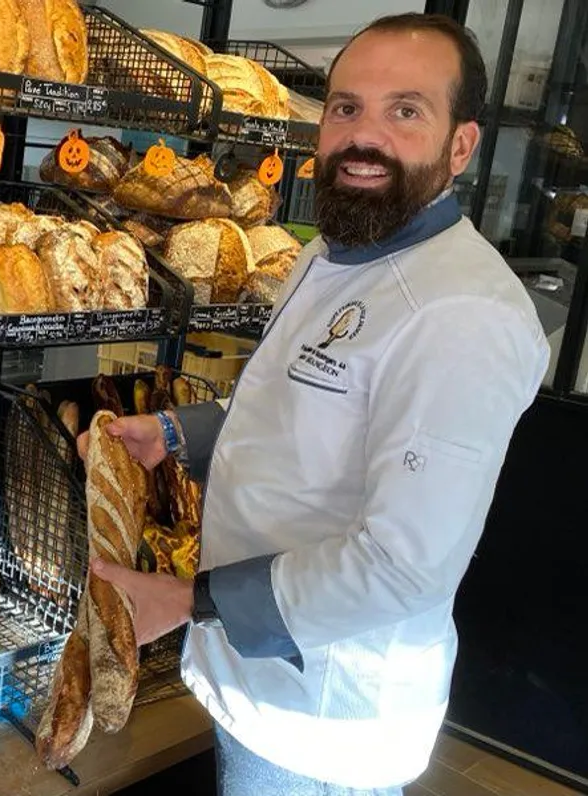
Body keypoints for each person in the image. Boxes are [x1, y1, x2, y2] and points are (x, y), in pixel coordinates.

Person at [77, 13, 550, 796]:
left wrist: (190, 600)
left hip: (325, 718)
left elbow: (404, 567)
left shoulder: (465, 314)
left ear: (461, 146)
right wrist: (173, 432)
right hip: (257, 678)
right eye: (345, 108)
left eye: (405, 111)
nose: (364, 137)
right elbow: (293, 408)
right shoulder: (330, 255)